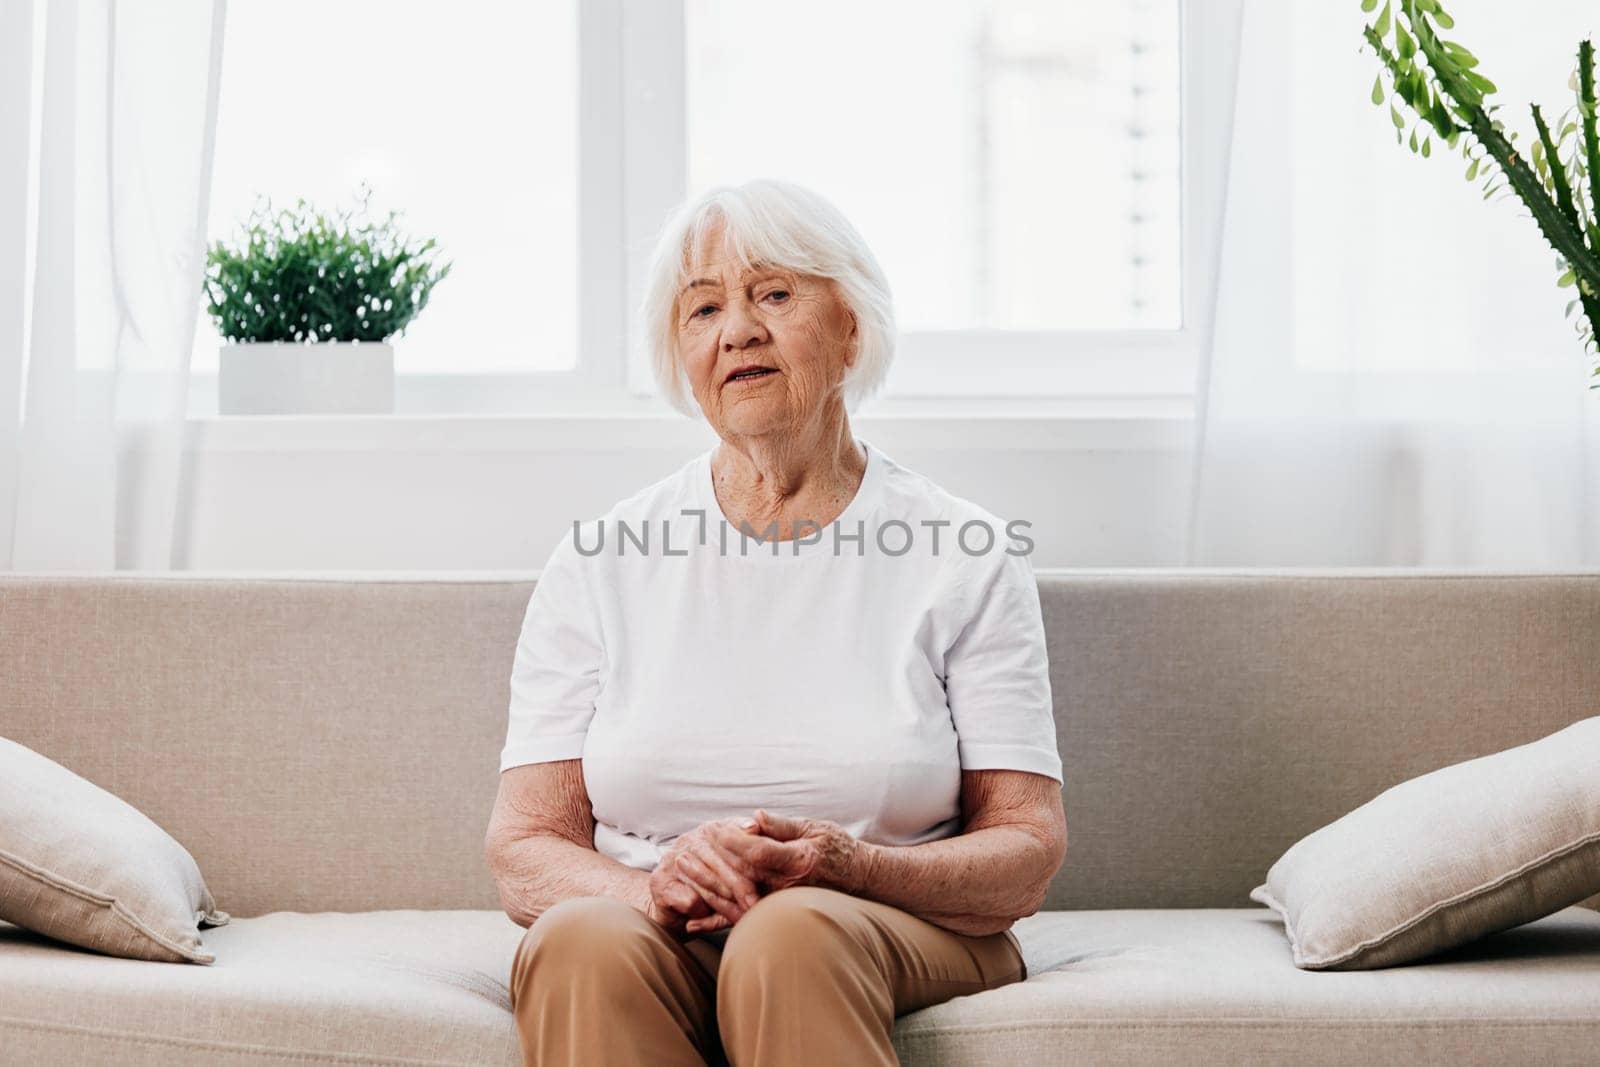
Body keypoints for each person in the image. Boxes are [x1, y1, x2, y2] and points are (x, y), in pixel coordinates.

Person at [484, 178, 1066, 1066]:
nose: (737, 330)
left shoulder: (965, 552)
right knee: (577, 942)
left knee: (787, 934)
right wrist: (655, 892)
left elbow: (1026, 847)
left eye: (775, 294)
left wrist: (851, 865)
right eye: (703, 308)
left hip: (891, 925)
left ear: (852, 329)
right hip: (659, 926)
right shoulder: (601, 559)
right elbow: (526, 842)